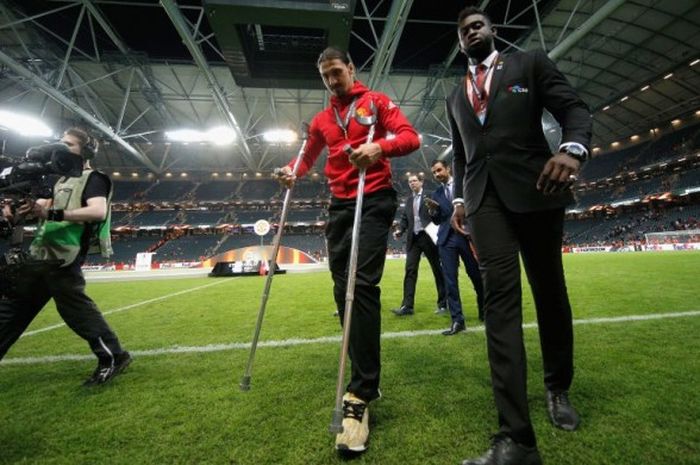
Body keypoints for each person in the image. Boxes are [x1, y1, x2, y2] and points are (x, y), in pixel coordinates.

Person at [447, 7, 592, 465]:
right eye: (463, 30)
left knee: (549, 291)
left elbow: (573, 108)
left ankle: (557, 388)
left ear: (493, 32)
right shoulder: (454, 95)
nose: (471, 33)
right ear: (459, 42)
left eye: (478, 26)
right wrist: (456, 200)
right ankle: (517, 439)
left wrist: (572, 149)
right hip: (482, 199)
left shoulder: (529, 63)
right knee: (500, 302)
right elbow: (462, 157)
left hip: (538, 187)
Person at [276, 46, 419, 452]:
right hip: (340, 203)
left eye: (337, 72)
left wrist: (379, 148)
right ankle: (360, 364)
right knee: (342, 289)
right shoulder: (322, 120)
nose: (332, 81)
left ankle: (361, 392)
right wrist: (290, 172)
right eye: (325, 76)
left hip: (373, 197)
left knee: (362, 284)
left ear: (351, 69)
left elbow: (411, 137)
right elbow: (305, 159)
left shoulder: (376, 102)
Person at [0, 127, 131, 386]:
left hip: (64, 255)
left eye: (69, 145)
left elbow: (97, 211)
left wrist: (52, 214)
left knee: (77, 312)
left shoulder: (94, 178)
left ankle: (114, 356)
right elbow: (42, 209)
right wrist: (18, 211)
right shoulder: (59, 181)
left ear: (86, 151)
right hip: (41, 253)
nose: (61, 149)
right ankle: (115, 355)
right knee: (10, 309)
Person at [425, 159, 483, 336]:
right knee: (450, 280)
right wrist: (432, 211)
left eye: (439, 170)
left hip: (465, 236)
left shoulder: (463, 184)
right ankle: (457, 320)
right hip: (446, 239)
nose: (437, 174)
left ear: (448, 169)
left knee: (476, 275)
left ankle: (484, 310)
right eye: (434, 172)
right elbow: (436, 220)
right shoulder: (435, 193)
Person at [391, 173, 447, 316]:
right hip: (413, 239)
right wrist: (400, 230)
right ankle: (407, 306)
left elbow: (438, 212)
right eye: (410, 182)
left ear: (421, 182)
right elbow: (404, 219)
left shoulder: (430, 195)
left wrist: (433, 210)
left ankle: (443, 304)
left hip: (428, 237)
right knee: (410, 270)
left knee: (437, 270)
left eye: (415, 181)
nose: (412, 183)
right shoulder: (409, 200)